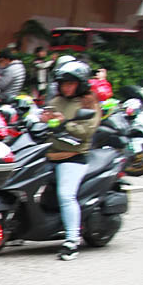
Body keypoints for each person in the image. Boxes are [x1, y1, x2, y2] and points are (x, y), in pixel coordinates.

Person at [39, 60, 101, 261]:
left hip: (73, 157)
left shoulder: (88, 103)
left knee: (66, 195)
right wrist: (40, 119)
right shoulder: (57, 101)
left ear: (80, 84)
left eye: (70, 83)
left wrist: (64, 124)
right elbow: (45, 118)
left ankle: (72, 240)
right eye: (63, 83)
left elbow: (86, 131)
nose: (66, 87)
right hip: (49, 153)